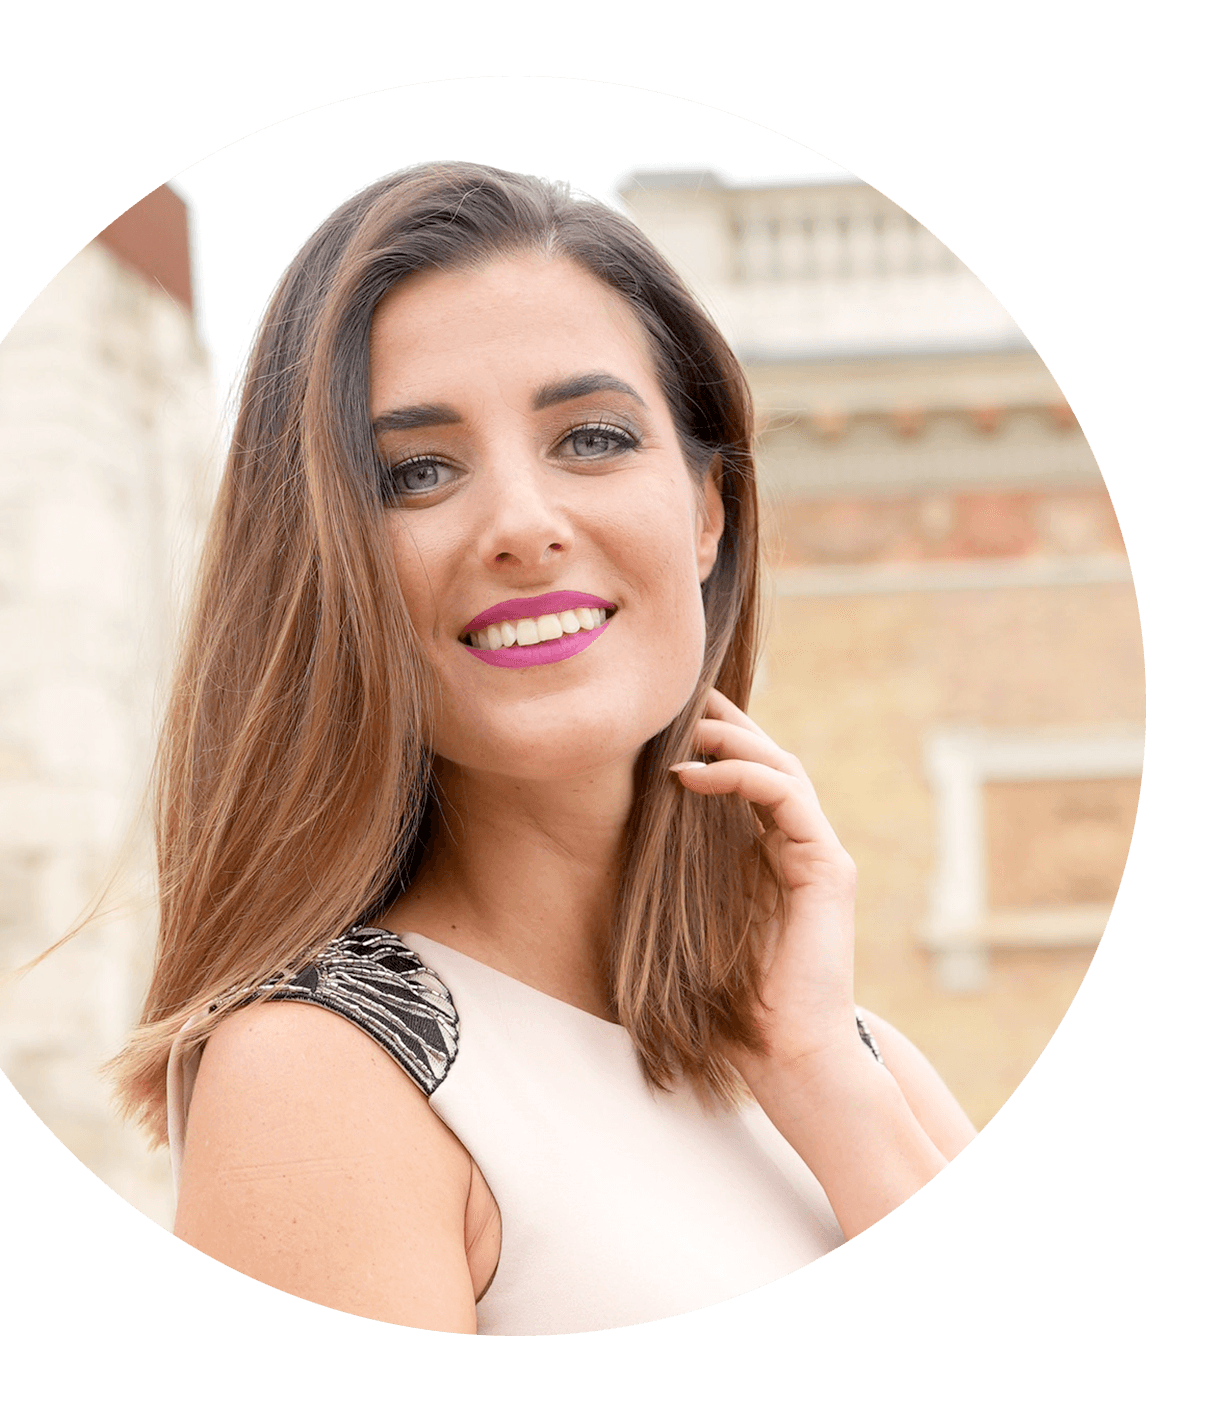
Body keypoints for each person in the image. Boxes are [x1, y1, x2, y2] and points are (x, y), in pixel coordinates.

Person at [114, 162, 976, 1335]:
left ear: (707, 511)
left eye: (592, 438)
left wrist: (819, 1070)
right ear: (326, 564)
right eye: (417, 472)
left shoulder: (852, 1057)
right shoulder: (324, 1076)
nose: (522, 524)